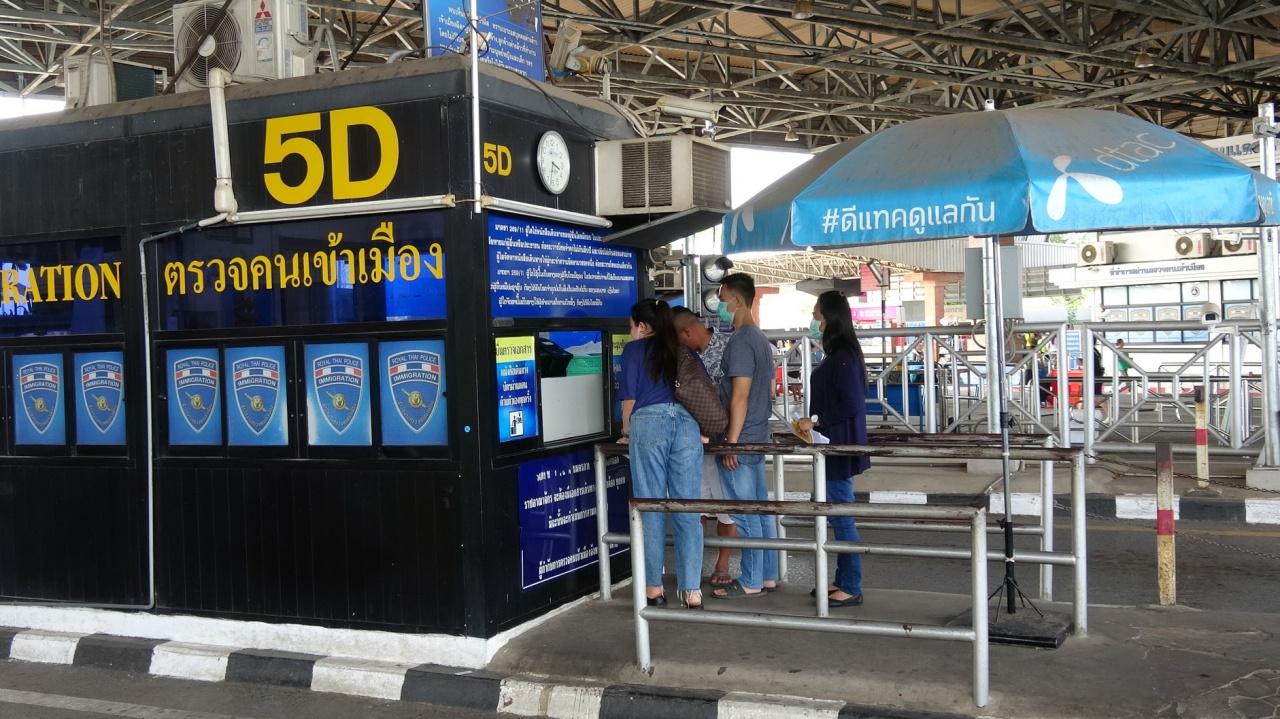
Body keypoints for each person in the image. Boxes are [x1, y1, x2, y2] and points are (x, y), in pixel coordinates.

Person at [620, 299, 704, 609]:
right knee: (687, 507)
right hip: (687, 426)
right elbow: (701, 392)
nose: (630, 332)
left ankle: (653, 589)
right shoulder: (684, 350)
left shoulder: (633, 351)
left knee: (651, 506)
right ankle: (692, 592)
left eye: (631, 326)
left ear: (643, 326)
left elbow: (629, 400)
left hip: (649, 424)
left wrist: (626, 432)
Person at [795, 291, 869, 607]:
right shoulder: (839, 354)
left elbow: (852, 403)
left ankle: (851, 585)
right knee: (837, 514)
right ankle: (842, 580)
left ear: (830, 317)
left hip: (837, 446)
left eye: (817, 315)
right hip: (831, 444)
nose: (814, 321)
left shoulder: (842, 356)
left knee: (841, 516)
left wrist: (816, 420)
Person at [710, 273, 780, 599]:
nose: (719, 306)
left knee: (743, 511)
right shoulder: (760, 339)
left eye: (722, 299)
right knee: (760, 510)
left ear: (737, 300)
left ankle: (751, 580)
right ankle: (767, 576)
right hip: (759, 433)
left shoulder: (740, 342)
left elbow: (739, 396)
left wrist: (731, 442)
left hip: (742, 436)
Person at [672, 307, 738, 587]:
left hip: (722, 442)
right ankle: (694, 565)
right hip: (691, 442)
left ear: (686, 332)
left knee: (726, 508)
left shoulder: (729, 347)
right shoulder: (681, 356)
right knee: (694, 506)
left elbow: (739, 396)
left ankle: (722, 563)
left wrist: (732, 442)